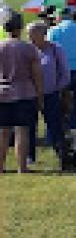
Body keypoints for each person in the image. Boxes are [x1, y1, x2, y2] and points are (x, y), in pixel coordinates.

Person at [0, 11, 43, 173]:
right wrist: (40, 95)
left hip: (3, 92)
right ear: (21, 28)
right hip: (25, 93)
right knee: (22, 131)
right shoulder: (29, 49)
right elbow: (37, 75)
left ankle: (1, 166)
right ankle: (22, 167)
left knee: (3, 132)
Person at [27, 19, 71, 165]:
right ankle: (29, 156)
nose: (30, 38)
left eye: (33, 34)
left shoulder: (55, 49)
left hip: (51, 94)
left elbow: (64, 72)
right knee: (29, 126)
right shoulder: (27, 50)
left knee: (55, 126)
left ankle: (62, 155)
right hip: (30, 94)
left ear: (43, 34)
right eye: (29, 34)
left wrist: (59, 89)